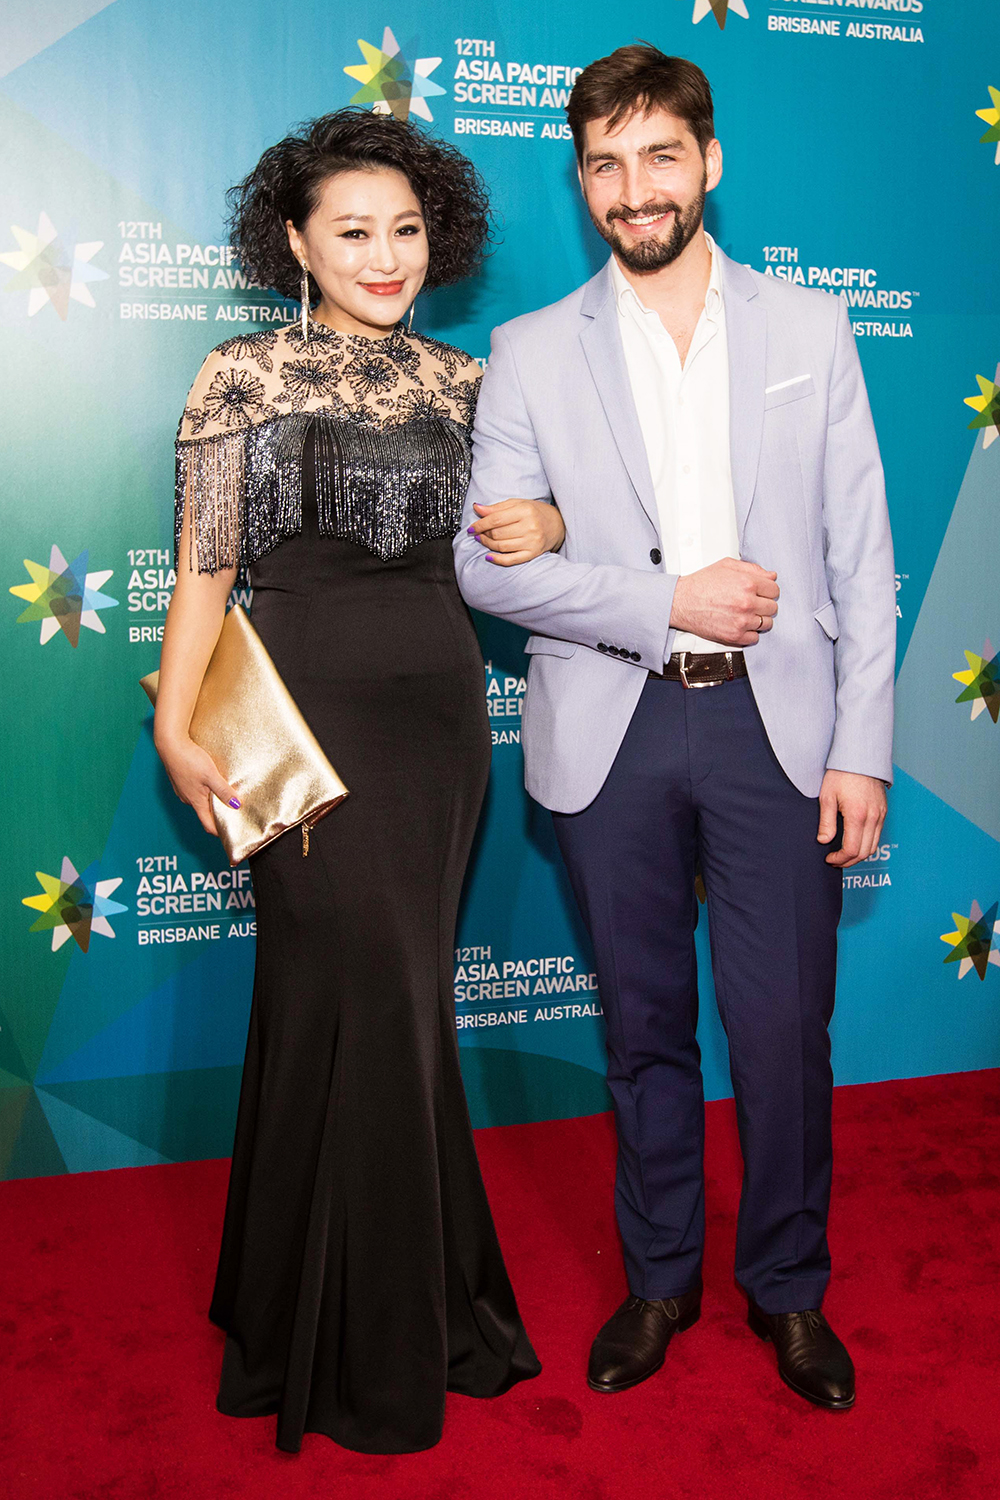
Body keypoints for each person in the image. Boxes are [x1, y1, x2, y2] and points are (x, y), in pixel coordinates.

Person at [455, 47, 895, 1412]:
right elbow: (487, 569)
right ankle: (660, 1281)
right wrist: (667, 600)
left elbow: (860, 556)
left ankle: (789, 1289)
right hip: (612, 727)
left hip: (781, 733)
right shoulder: (527, 352)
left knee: (782, 1029)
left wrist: (863, 746)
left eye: (657, 157)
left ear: (710, 162)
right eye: (602, 163)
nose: (631, 190)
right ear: (580, 180)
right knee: (644, 1028)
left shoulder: (811, 331)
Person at [153, 108, 558, 1455]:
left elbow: (523, 544)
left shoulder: (468, 384)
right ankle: (337, 1334)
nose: (385, 256)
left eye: (404, 229)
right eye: (353, 233)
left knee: (392, 1010)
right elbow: (208, 571)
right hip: (303, 727)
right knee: (350, 999)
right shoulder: (242, 378)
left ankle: (375, 1311)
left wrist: (548, 519)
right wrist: (175, 723)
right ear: (295, 242)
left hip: (439, 722)